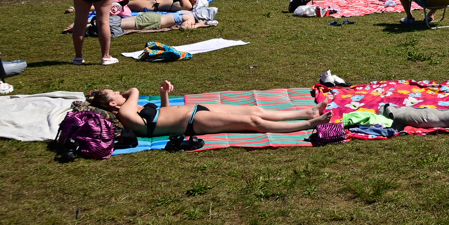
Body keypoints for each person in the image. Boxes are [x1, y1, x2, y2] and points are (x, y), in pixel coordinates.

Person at [88, 80, 332, 139]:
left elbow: (160, 114)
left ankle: (305, 113)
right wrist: (130, 92)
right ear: (112, 104)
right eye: (115, 95)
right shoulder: (124, 114)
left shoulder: (131, 110)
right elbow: (134, 90)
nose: (121, 93)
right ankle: (308, 125)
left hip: (193, 109)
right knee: (253, 122)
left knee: (252, 109)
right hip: (192, 122)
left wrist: (163, 94)